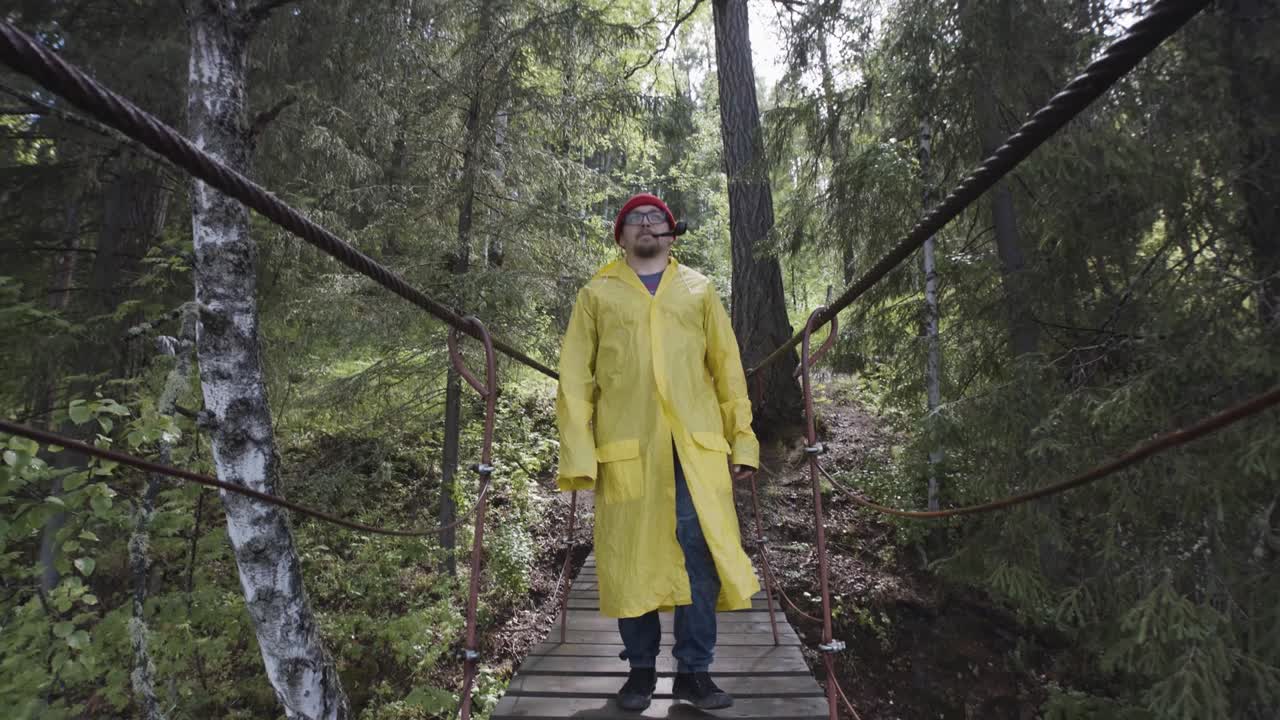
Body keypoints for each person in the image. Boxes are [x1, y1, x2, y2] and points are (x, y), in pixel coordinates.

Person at [555, 192, 761, 711]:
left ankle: (695, 672)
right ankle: (640, 673)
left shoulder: (699, 290)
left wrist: (742, 438)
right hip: (628, 450)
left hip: (695, 449)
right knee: (632, 558)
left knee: (699, 555)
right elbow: (575, 378)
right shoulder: (596, 294)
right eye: (634, 219)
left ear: (671, 233)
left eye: (656, 218)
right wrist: (578, 453)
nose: (645, 224)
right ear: (620, 236)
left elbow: (728, 368)